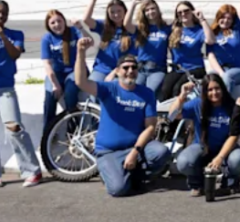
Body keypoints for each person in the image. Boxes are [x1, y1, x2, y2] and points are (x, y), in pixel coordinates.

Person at [73, 38, 171, 197]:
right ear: (117, 71)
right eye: (125, 68)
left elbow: (151, 127)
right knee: (118, 190)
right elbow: (81, 81)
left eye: (134, 67)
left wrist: (135, 152)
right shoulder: (107, 89)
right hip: (109, 151)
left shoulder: (146, 93)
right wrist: (81, 52)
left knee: (161, 152)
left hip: (136, 148)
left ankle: (136, 175)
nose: (130, 71)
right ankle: (114, 173)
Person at [0, 0, 42, 188]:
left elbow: (14, 55)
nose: (0, 16)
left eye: (4, 13)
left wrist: (2, 36)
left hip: (6, 89)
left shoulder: (16, 35)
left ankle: (32, 171)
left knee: (15, 128)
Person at [169, 75, 240, 196]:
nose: (214, 92)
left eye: (217, 88)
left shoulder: (231, 106)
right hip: (202, 146)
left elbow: (234, 135)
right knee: (183, 162)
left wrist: (220, 157)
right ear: (204, 91)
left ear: (223, 89)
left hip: (226, 148)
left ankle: (230, 183)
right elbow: (172, 116)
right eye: (209, 90)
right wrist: (182, 96)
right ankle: (197, 184)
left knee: (238, 158)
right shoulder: (198, 103)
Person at [158, 2, 215, 102]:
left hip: (195, 68)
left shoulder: (199, 30)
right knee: (164, 90)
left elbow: (210, 40)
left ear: (192, 12)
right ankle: (166, 115)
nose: (183, 14)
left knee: (178, 89)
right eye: (179, 12)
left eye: (186, 11)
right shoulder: (174, 29)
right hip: (177, 69)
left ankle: (179, 116)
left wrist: (202, 19)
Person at [41, 10, 84, 133]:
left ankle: (74, 130)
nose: (57, 25)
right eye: (52, 22)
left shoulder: (74, 32)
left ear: (64, 21)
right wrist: (55, 85)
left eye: (59, 21)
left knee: (70, 93)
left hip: (75, 70)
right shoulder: (47, 38)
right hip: (57, 72)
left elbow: (89, 41)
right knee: (50, 96)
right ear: (48, 25)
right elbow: (47, 64)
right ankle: (48, 133)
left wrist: (80, 27)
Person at [81, 0, 137, 83]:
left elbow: (131, 57)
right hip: (101, 69)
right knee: (93, 88)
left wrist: (114, 72)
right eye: (112, 12)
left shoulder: (131, 30)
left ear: (125, 12)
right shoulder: (104, 27)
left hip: (121, 71)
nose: (116, 15)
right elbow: (86, 19)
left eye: (119, 11)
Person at [126, 0, 170, 94]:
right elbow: (127, 24)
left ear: (158, 10)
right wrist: (133, 5)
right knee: (133, 92)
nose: (150, 12)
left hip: (158, 69)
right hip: (140, 68)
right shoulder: (140, 29)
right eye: (147, 10)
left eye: (153, 8)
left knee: (149, 93)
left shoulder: (166, 28)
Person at [207, 2, 240, 96]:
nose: (225, 21)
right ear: (218, 17)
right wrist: (221, 73)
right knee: (209, 78)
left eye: (229, 18)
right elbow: (211, 56)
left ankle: (225, 107)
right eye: (222, 17)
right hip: (222, 69)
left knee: (228, 76)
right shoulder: (212, 34)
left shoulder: (236, 29)